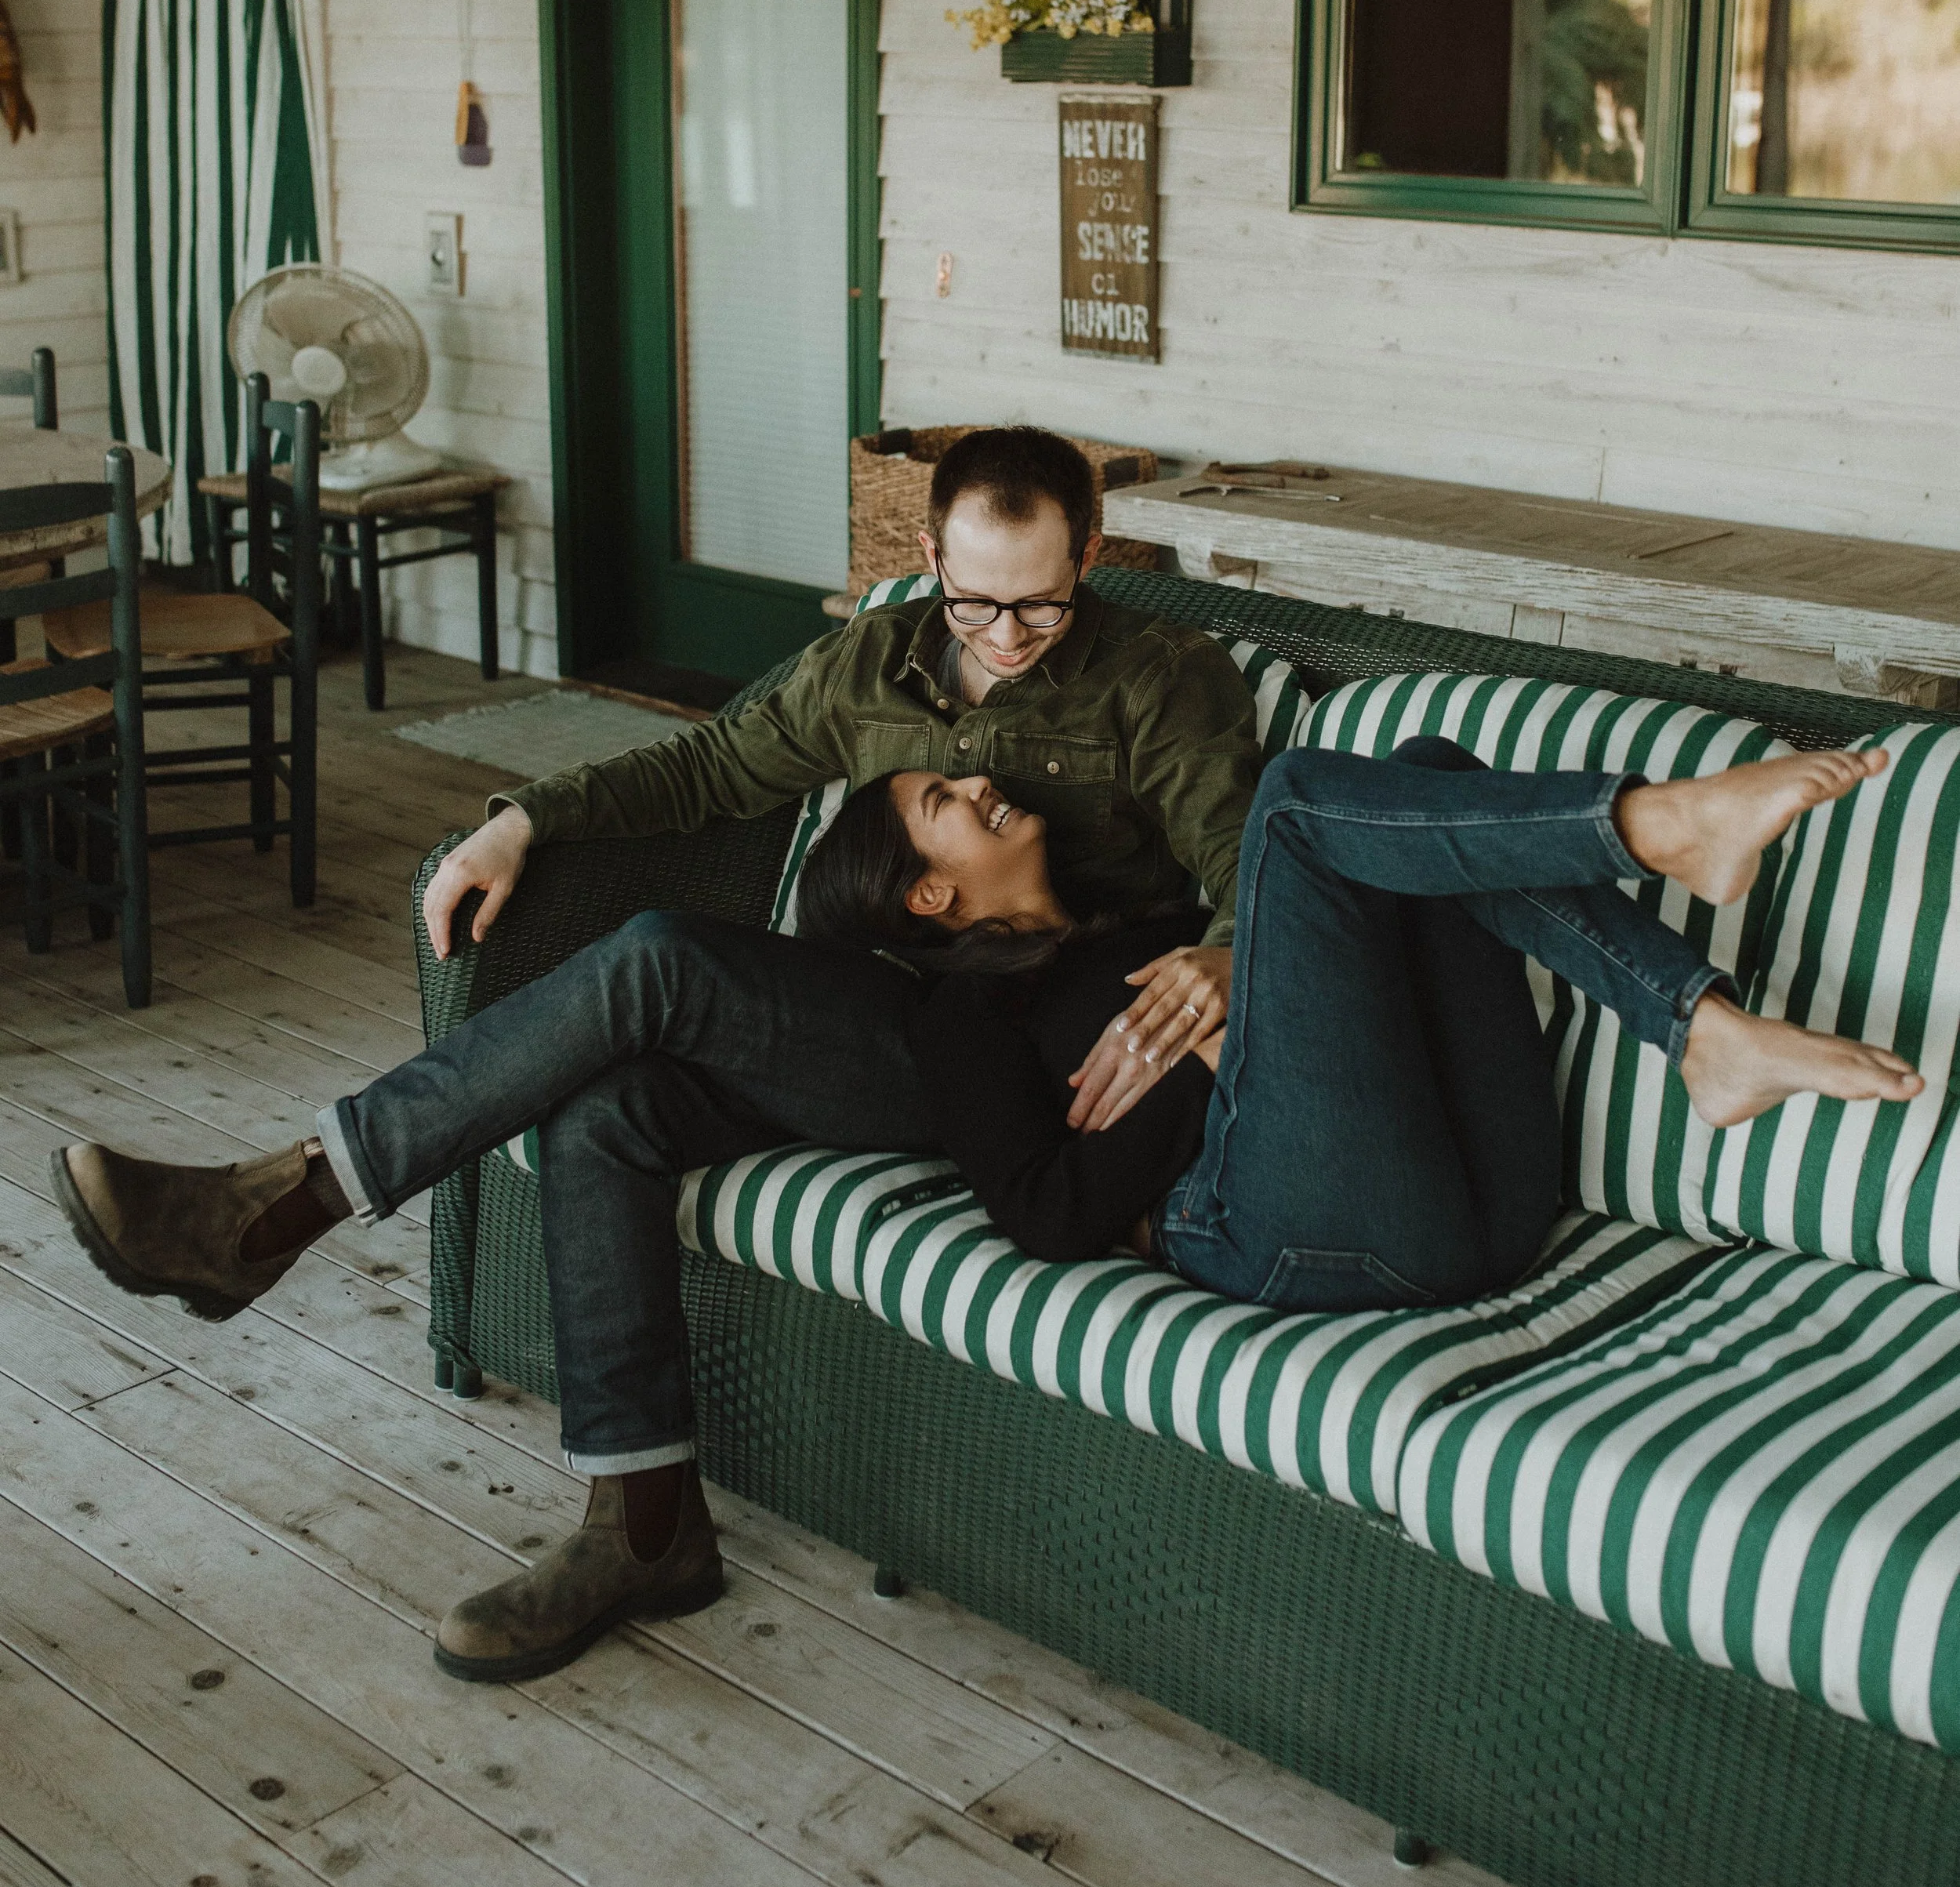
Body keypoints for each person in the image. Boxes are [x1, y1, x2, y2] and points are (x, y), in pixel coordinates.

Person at [49, 426, 1263, 1685]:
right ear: (926, 554)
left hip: (1006, 1056)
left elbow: (1246, 857)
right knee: (613, 1109)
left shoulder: (1160, 679)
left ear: (1094, 555)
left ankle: (282, 1202)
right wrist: (527, 820)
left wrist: (1227, 954)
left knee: (662, 960)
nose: (1006, 635)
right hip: (872, 1015)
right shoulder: (872, 665)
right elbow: (712, 765)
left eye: (1040, 602)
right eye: (976, 600)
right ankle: (644, 1524)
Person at [791, 735, 1923, 1312]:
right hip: (1279, 1228)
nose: (977, 781)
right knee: (1291, 805)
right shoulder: (972, 1012)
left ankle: (1701, 1032)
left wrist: (1243, 973)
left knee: (1424, 780)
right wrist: (1207, 1070)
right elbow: (1042, 1212)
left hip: (1481, 1199)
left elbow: (1318, 999)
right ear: (927, 896)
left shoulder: (1144, 921)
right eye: (945, 802)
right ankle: (1654, 827)